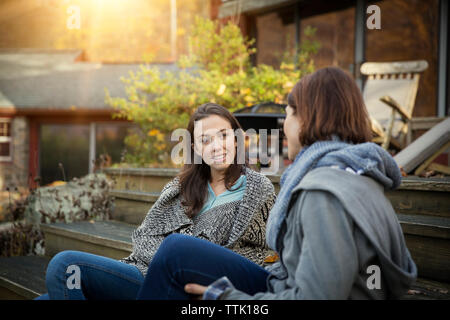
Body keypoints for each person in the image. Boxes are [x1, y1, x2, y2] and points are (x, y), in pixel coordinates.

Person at [136, 66, 417, 300]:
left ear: (309, 120)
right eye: (204, 140)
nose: (284, 125)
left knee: (176, 250)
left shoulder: (325, 194)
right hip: (278, 285)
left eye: (289, 114)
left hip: (276, 290)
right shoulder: (359, 176)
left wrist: (224, 298)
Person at [36, 103, 276, 300]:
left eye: (223, 136)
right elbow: (144, 239)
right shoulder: (180, 188)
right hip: (142, 275)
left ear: (236, 138)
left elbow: (261, 256)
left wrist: (188, 259)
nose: (216, 146)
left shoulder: (256, 190)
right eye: (205, 140)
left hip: (185, 288)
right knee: (54, 289)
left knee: (65, 265)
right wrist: (170, 258)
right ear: (195, 148)